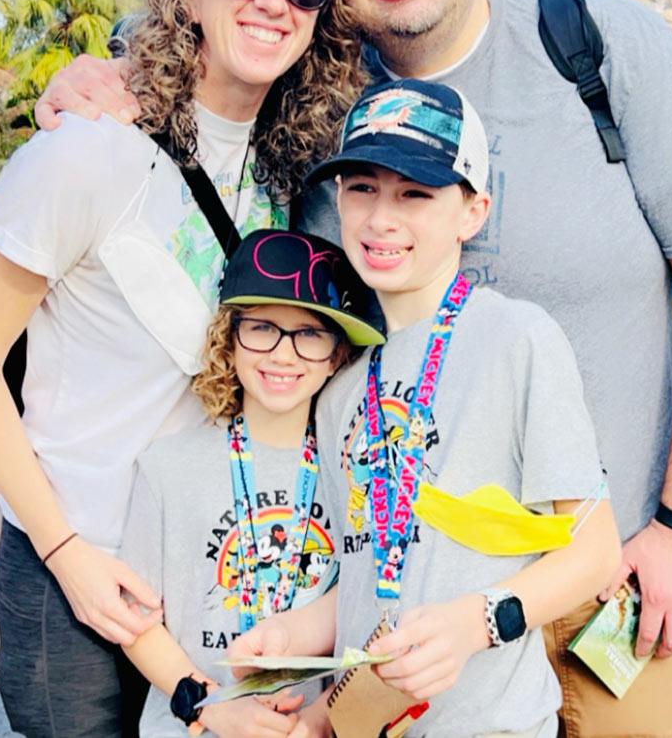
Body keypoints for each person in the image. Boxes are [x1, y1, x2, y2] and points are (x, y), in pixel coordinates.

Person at [32, 0, 672, 735]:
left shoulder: (600, 48)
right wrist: (95, 76)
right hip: (400, 601)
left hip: (607, 573)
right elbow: (206, 58)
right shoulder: (314, 97)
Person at [0, 0, 362, 738]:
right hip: (77, 573)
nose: (274, 0)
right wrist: (68, 555)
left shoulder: (291, 170)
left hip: (217, 564)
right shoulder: (84, 154)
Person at [231, 79, 623, 738]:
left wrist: (478, 622)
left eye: (415, 194)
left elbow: (595, 555)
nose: (382, 219)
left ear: (473, 212)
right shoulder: (342, 387)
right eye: (362, 189)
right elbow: (367, 571)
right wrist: (289, 637)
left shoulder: (518, 339)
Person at [118, 227, 386, 737]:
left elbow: (369, 604)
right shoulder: (167, 466)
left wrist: (325, 715)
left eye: (309, 333)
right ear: (229, 337)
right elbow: (136, 624)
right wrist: (207, 705)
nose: (283, 355)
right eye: (262, 327)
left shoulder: (356, 475)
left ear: (337, 354)